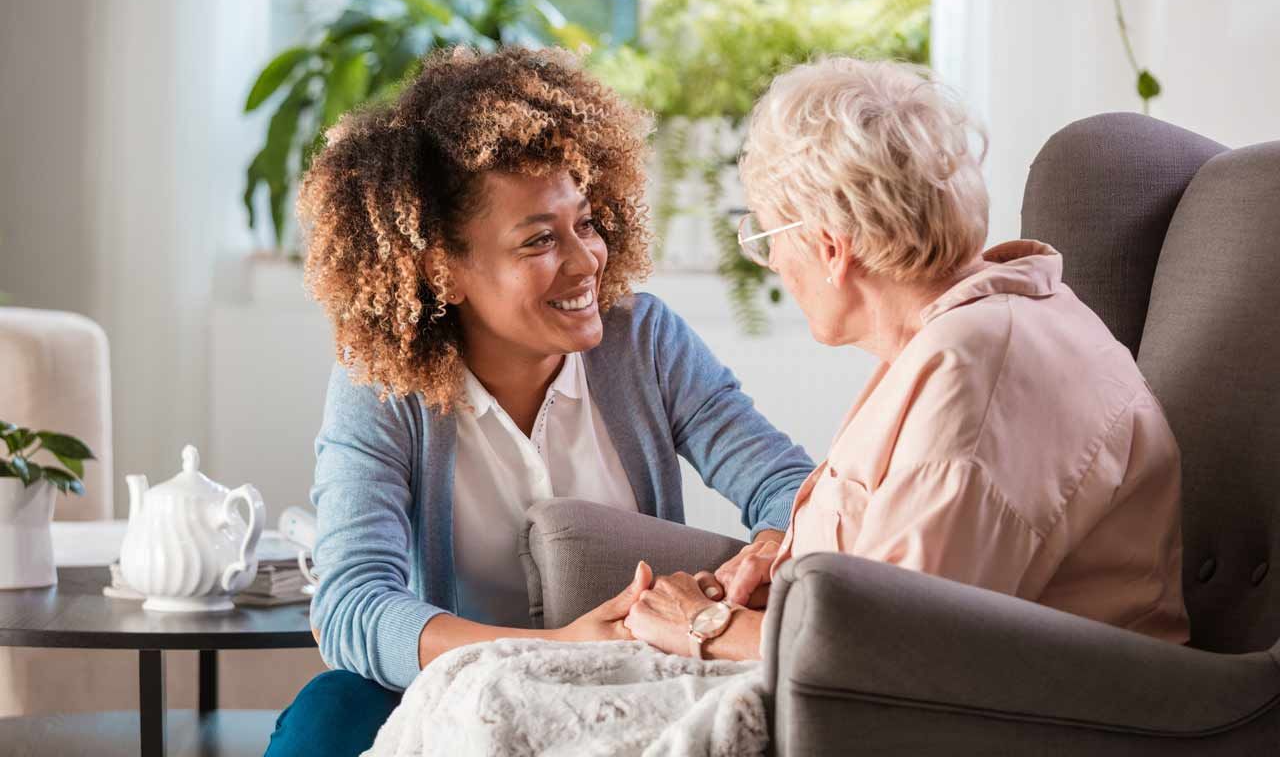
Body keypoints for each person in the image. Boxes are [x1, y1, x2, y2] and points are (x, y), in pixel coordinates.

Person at [263, 47, 814, 757]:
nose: (587, 261)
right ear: (442, 269)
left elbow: (788, 487)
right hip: (454, 685)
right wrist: (550, 647)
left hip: (630, 680)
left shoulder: (643, 342)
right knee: (328, 715)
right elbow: (352, 606)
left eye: (585, 223)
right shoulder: (382, 382)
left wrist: (765, 555)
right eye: (540, 240)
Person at [621, 56, 1190, 662]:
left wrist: (705, 625)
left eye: (765, 238)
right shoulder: (974, 328)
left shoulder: (975, 374)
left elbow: (894, 653)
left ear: (829, 247)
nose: (775, 265)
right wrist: (788, 562)